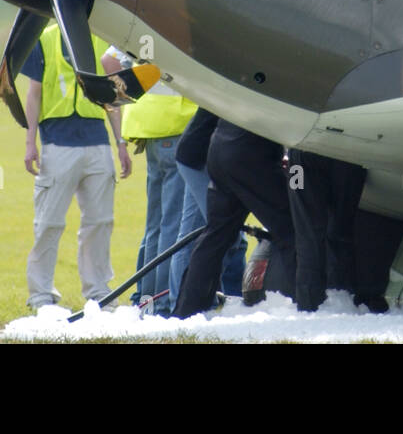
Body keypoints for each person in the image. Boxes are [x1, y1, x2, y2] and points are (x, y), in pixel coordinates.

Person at [22, 24, 130, 310]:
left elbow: (112, 95)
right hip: (57, 143)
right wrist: (30, 142)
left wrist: (120, 142)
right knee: (49, 223)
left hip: (97, 143)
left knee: (100, 222)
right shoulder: (44, 38)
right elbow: (34, 94)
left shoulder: (102, 38)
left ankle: (98, 292)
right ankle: (41, 295)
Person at [172, 116, 295, 318]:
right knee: (292, 227)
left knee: (216, 235)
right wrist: (296, 181)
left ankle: (187, 310)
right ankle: (304, 301)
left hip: (219, 149)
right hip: (248, 154)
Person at [122, 80, 195, 314]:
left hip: (150, 129)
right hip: (176, 127)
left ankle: (147, 300)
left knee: (155, 225)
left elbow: (109, 59)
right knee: (172, 225)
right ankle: (161, 303)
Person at [169, 108, 245, 307]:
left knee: (200, 235)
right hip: (199, 161)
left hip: (201, 158)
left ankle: (192, 301)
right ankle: (187, 303)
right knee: (219, 235)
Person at [286, 147, 366, 311]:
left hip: (300, 157)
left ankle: (308, 302)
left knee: (306, 231)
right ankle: (341, 297)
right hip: (347, 154)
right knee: (342, 229)